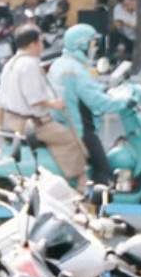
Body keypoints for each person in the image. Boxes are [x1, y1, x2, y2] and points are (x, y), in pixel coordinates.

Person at [45, 21, 121, 187]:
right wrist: (122, 103)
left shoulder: (60, 64)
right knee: (104, 170)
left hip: (63, 122)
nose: (94, 48)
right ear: (82, 44)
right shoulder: (76, 70)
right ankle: (99, 203)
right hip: (79, 128)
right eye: (92, 43)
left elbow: (84, 91)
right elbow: (96, 101)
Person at [0, 22, 67, 168]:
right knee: (71, 139)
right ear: (33, 45)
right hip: (30, 125)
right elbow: (35, 99)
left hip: (12, 122)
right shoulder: (29, 64)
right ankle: (79, 180)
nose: (42, 46)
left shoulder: (11, 63)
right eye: (40, 42)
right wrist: (55, 104)